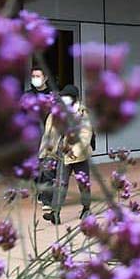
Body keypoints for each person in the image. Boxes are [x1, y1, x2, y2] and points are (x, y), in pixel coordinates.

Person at [39, 85, 93, 225]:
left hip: (79, 154)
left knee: (83, 183)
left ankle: (86, 208)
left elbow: (86, 135)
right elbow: (49, 133)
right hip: (63, 152)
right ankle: (55, 213)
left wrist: (74, 152)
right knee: (60, 183)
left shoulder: (82, 113)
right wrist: (45, 152)